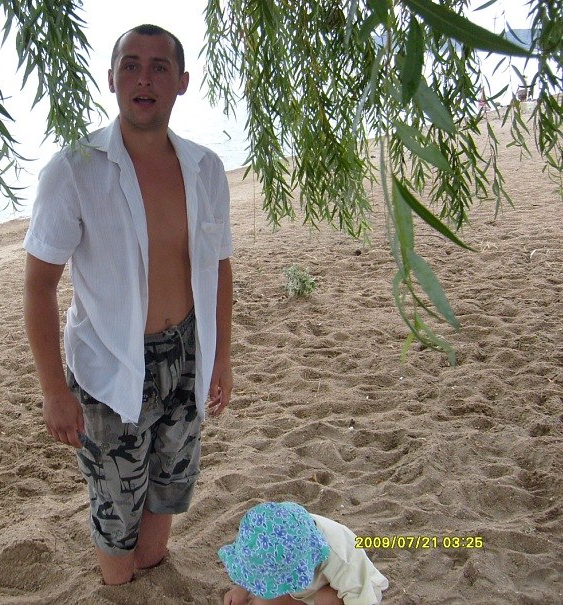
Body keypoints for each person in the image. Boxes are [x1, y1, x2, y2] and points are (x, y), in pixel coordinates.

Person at [23, 23, 233, 586]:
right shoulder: (73, 170)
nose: (144, 79)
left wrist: (222, 357)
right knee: (115, 502)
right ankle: (119, 589)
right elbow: (39, 285)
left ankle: (152, 572)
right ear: (111, 79)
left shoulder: (206, 168)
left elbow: (218, 266)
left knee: (170, 484)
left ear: (181, 82)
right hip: (109, 360)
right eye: (131, 66)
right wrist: (53, 390)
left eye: (159, 67)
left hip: (186, 351)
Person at [219, 502, 389, 605]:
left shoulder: (340, 557)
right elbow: (257, 561)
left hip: (350, 593)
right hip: (304, 592)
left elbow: (360, 596)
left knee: (326, 598)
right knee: (261, 602)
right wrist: (242, 589)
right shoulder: (275, 523)